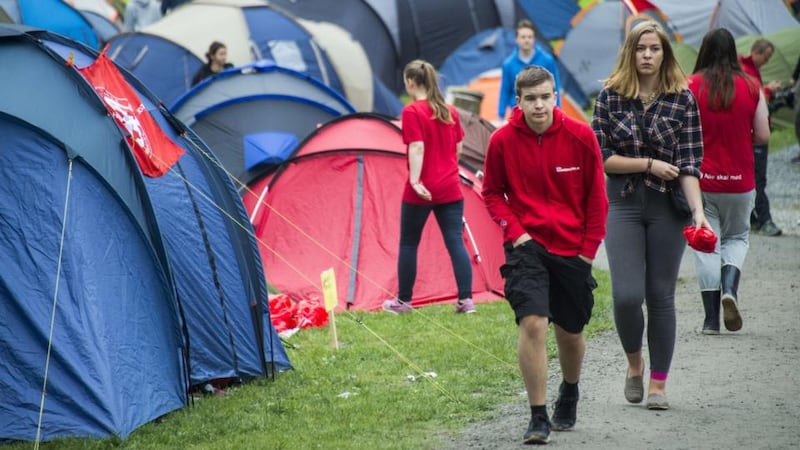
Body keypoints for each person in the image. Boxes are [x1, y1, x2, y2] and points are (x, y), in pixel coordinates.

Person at [483, 65, 607, 444]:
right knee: (533, 322)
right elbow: (491, 193)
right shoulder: (502, 141)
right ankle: (538, 416)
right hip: (527, 248)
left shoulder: (581, 136)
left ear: (556, 96)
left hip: (573, 249)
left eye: (545, 97)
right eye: (531, 99)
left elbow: (597, 200)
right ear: (518, 102)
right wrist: (516, 233)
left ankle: (569, 391)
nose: (539, 105)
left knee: (570, 332)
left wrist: (587, 254)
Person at [591, 20, 711, 411]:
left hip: (667, 208)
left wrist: (698, 213)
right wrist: (648, 164)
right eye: (641, 49)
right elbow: (602, 158)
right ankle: (634, 364)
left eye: (654, 49)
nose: (647, 55)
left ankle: (659, 384)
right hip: (623, 204)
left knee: (660, 296)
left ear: (664, 53)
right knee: (626, 296)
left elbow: (690, 163)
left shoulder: (683, 100)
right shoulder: (609, 96)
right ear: (630, 52)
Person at [688, 28, 771, 335]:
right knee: (736, 238)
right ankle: (730, 290)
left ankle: (711, 321)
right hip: (740, 180)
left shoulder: (690, 85)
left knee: (706, 244)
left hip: (701, 180)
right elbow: (763, 135)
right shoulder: (751, 85)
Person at [382, 60, 475, 315]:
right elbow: (458, 148)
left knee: (409, 243)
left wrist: (415, 180)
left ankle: (404, 301)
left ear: (411, 83)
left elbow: (417, 146)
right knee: (455, 241)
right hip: (450, 188)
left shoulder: (412, 112)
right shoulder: (449, 111)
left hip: (421, 189)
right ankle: (466, 300)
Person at [739, 39, 783, 236]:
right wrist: (768, 91)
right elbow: (751, 98)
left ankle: (753, 219)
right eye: (767, 56)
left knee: (753, 178)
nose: (767, 60)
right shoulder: (745, 69)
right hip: (753, 136)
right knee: (758, 179)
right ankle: (764, 220)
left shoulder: (749, 69)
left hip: (750, 134)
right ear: (757, 51)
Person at [497, 20, 561, 122]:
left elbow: (556, 86)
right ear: (516, 39)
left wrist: (557, 110)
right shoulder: (508, 64)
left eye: (529, 37)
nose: (526, 40)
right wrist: (501, 116)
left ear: (534, 39)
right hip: (518, 114)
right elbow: (505, 90)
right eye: (523, 37)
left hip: (542, 111)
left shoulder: (547, 60)